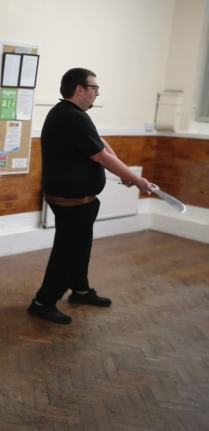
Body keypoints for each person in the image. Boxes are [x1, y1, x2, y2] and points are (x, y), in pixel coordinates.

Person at [28, 68, 152, 324]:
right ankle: (42, 302)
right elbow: (100, 156)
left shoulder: (70, 113)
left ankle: (80, 289)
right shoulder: (73, 117)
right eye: (94, 87)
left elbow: (100, 143)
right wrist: (138, 180)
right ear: (79, 89)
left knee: (80, 247)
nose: (96, 92)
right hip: (71, 201)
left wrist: (124, 172)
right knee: (68, 251)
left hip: (79, 201)